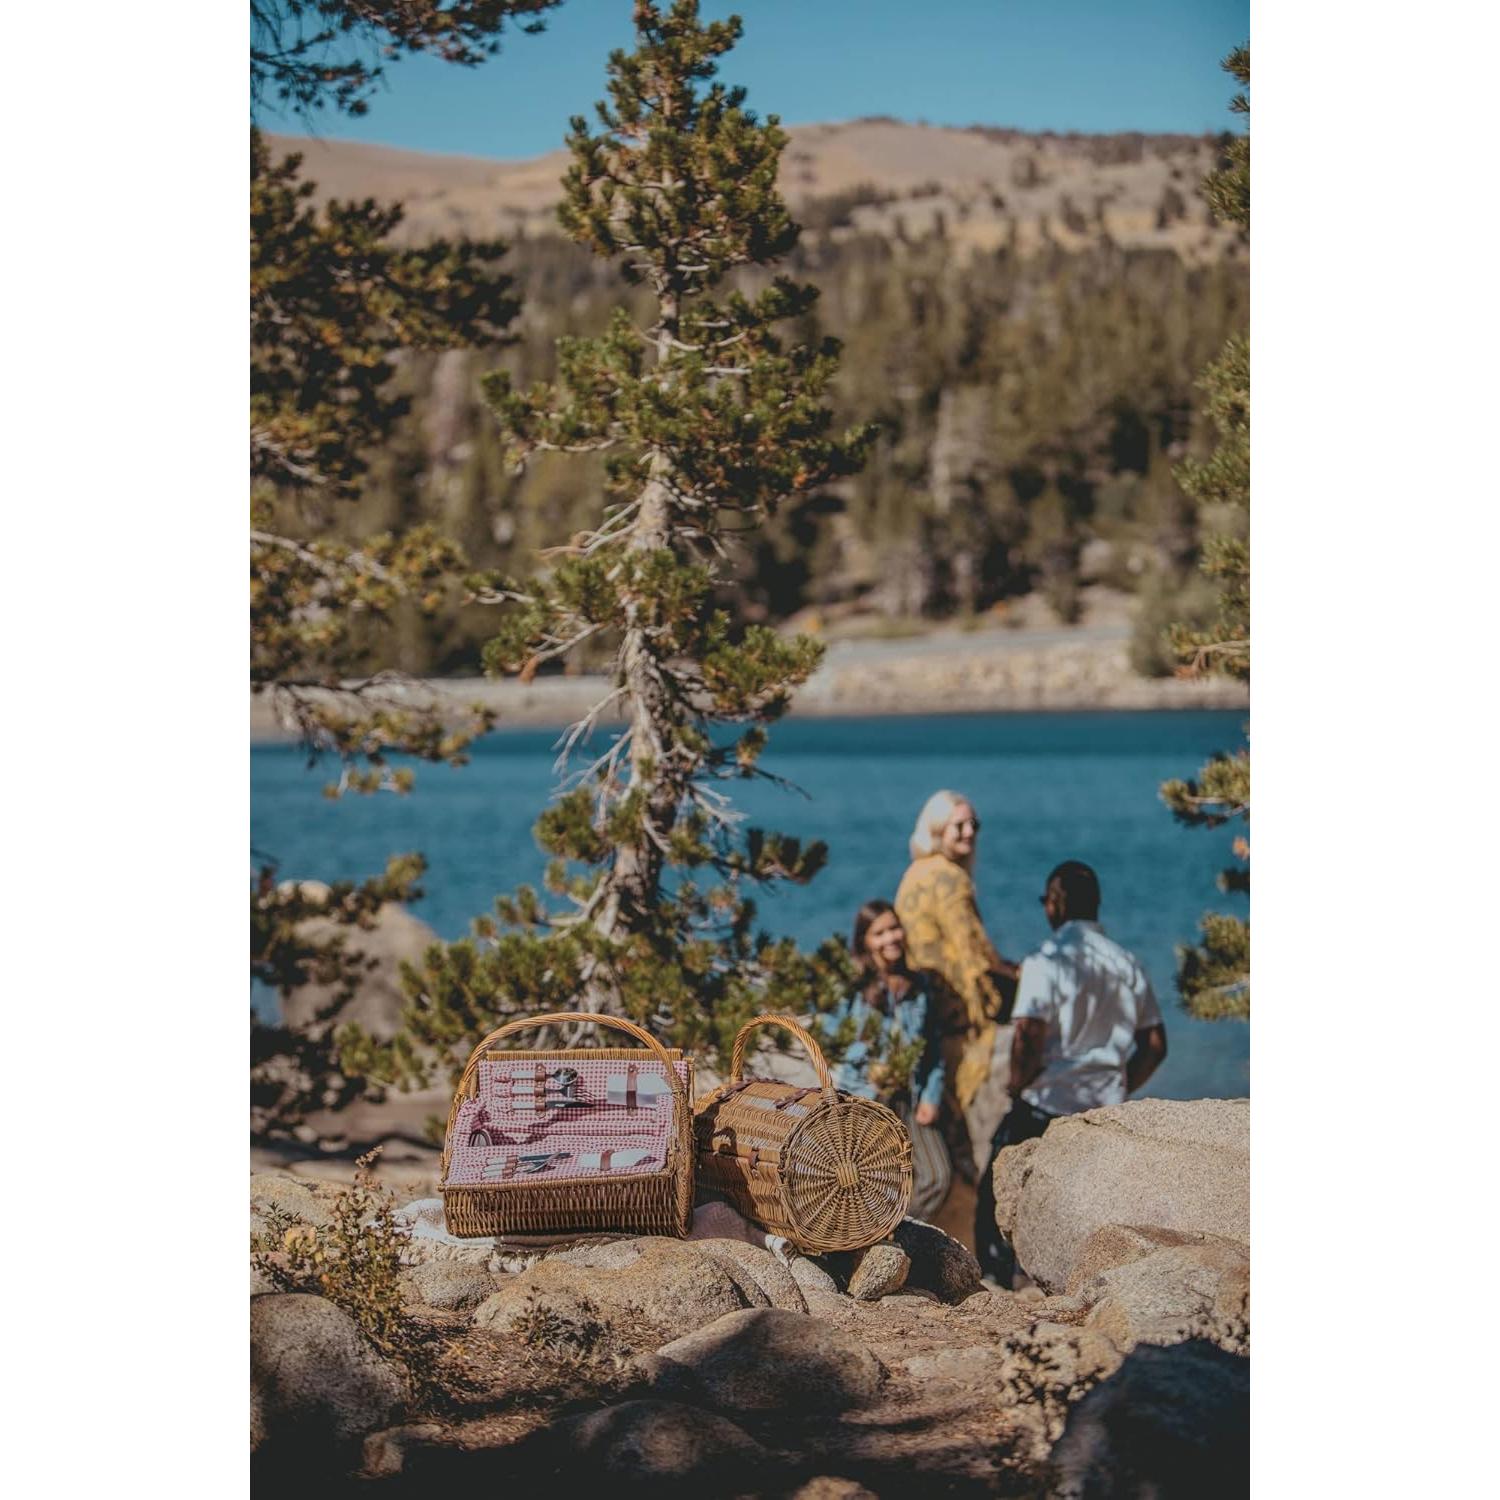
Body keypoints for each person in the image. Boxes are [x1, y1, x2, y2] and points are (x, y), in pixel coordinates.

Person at [974, 860, 1169, 1284]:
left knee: (997, 1189)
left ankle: (993, 1279)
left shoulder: (1046, 961)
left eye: (1047, 900)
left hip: (1048, 1103)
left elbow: (1028, 1034)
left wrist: (1015, 1084)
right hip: (1106, 1109)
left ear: (1055, 905)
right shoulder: (1127, 962)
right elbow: (1155, 1046)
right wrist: (1119, 1083)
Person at [895, 790, 1019, 1245]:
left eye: (973, 825)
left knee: (942, 1145)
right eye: (958, 826)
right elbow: (974, 954)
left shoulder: (915, 874)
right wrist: (1017, 983)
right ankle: (973, 1250)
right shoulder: (949, 878)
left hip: (926, 1021)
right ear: (936, 830)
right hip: (956, 1029)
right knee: (973, 1146)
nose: (968, 833)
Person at [817, 899, 953, 1221]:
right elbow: (830, 1043)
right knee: (872, 1182)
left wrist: (932, 1097)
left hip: (911, 1097)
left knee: (936, 1177)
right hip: (865, 1100)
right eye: (879, 933)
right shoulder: (852, 988)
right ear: (865, 940)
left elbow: (933, 1050)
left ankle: (899, 1233)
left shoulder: (919, 987)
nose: (890, 938)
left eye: (894, 928)